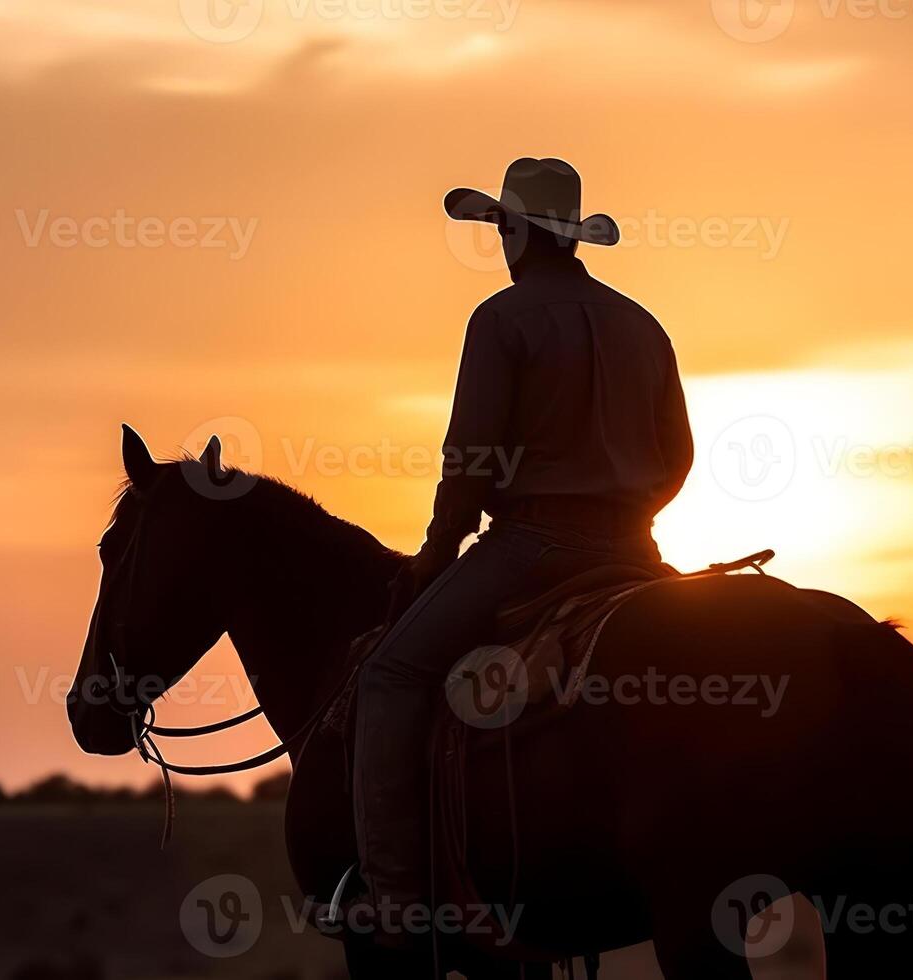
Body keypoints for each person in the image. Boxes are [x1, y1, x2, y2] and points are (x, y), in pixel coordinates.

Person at [350, 157, 693, 942]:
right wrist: (629, 516)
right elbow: (678, 456)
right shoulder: (643, 325)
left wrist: (437, 555)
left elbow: (469, 460)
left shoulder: (500, 320)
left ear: (511, 232)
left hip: (533, 545)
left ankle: (397, 898)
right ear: (572, 237)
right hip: (637, 552)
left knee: (390, 673)